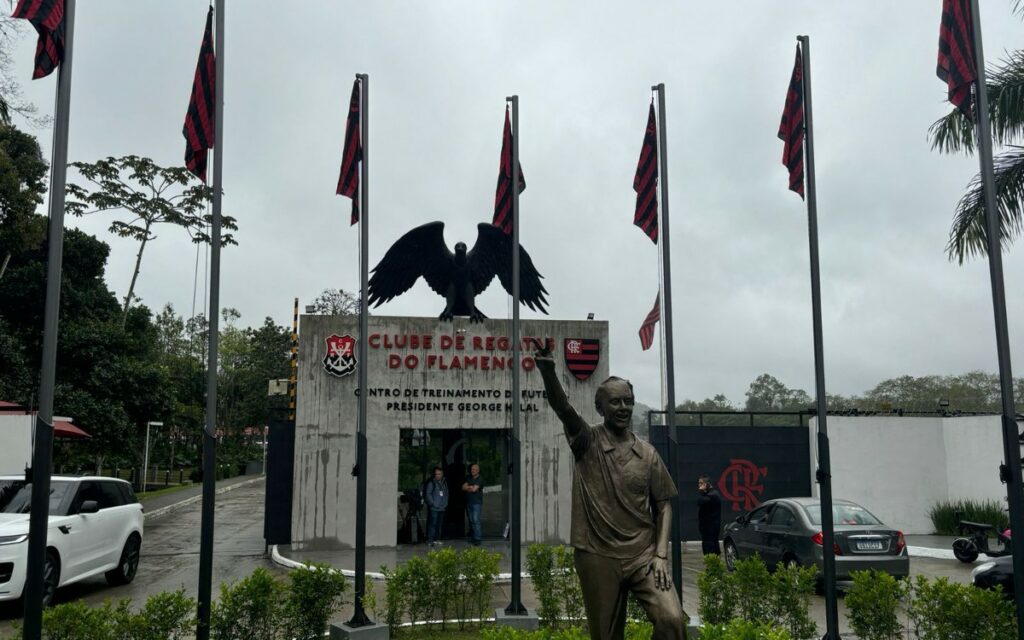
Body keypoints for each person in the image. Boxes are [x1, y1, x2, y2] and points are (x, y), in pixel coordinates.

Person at [535, 346, 686, 640]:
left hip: (644, 555)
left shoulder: (647, 454)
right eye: (615, 402)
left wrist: (661, 555)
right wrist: (548, 371)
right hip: (598, 554)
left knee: (672, 620)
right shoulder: (587, 442)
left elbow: (664, 504)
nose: (623, 408)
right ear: (600, 408)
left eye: (628, 401)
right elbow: (563, 408)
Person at [697, 474, 722, 556]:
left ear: (706, 484)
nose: (699, 486)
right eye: (699, 483)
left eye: (701, 483)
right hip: (708, 526)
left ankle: (712, 565)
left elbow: (700, 502)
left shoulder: (712, 495)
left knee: (709, 546)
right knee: (711, 544)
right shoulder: (710, 494)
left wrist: (701, 491)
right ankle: (714, 564)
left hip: (710, 527)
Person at [424, 466, 448, 546]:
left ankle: (437, 539)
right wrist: (433, 504)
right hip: (434, 508)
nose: (438, 475)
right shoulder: (432, 483)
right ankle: (430, 540)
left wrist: (445, 503)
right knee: (432, 524)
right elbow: (428, 494)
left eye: (439, 474)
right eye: (436, 474)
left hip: (442, 507)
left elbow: (446, 493)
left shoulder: (444, 482)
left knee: (439, 524)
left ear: (442, 474)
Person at [462, 463, 483, 545]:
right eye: (471, 469)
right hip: (469, 502)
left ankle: (478, 538)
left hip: (476, 503)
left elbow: (474, 489)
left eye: (474, 469)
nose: (472, 471)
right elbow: (462, 487)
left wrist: (469, 487)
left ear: (478, 470)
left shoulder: (480, 479)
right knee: (471, 521)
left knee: (475, 520)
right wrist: (471, 487)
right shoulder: (468, 477)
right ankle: (474, 537)